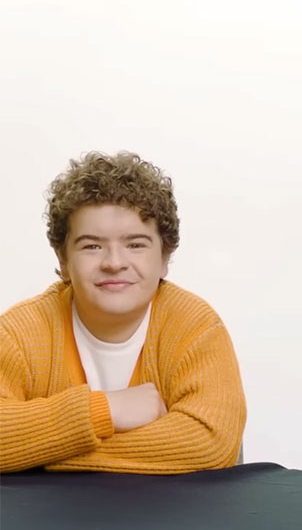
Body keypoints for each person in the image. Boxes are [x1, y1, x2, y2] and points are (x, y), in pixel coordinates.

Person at [0, 151, 246, 474]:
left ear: (165, 258)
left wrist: (41, 455)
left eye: (135, 245)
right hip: (54, 521)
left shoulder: (196, 327)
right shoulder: (20, 333)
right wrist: (104, 410)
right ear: (63, 261)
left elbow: (211, 444)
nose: (114, 262)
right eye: (92, 246)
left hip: (169, 518)